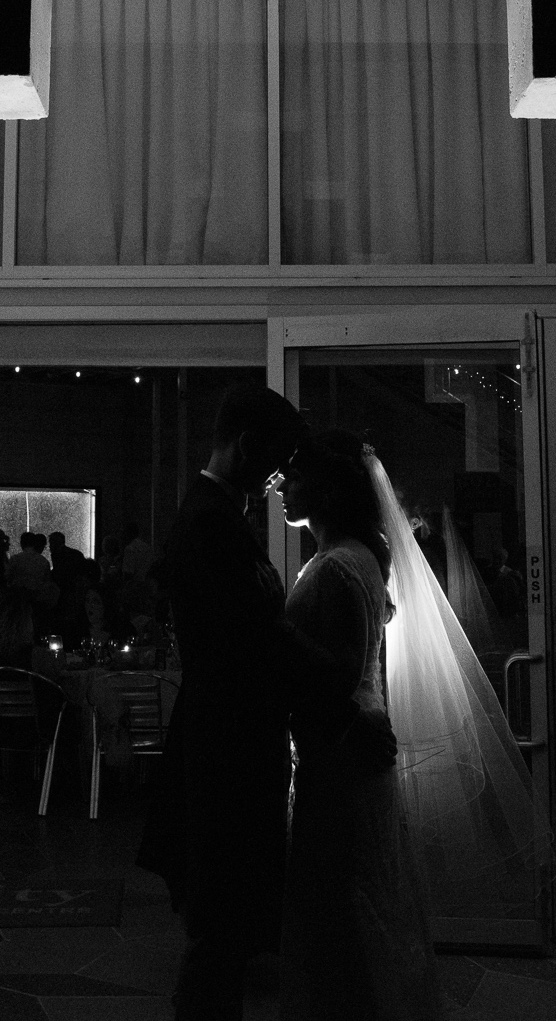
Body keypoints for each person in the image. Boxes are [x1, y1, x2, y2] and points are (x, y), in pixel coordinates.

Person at [136, 386, 399, 1021]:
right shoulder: (208, 523)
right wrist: (343, 716)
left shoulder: (222, 517)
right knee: (219, 934)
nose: (281, 476)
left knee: (229, 932)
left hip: (237, 749)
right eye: (279, 458)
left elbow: (260, 638)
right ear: (249, 446)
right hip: (223, 753)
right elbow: (253, 642)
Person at [276, 432, 445, 1019]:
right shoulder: (357, 559)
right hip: (351, 747)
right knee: (360, 898)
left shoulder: (335, 569)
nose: (282, 487)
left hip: (342, 755)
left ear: (324, 489)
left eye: (294, 477)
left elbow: (337, 678)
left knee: (341, 903)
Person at [5, 531, 51, 597]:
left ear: (21, 544)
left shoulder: (15, 559)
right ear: (35, 544)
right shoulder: (44, 561)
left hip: (18, 597)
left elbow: (8, 577)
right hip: (37, 598)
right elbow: (47, 582)